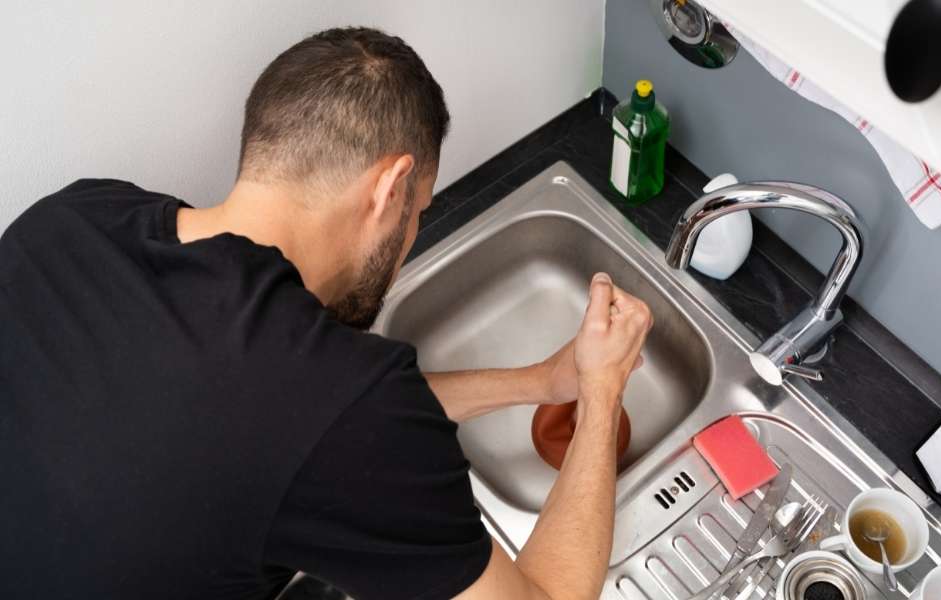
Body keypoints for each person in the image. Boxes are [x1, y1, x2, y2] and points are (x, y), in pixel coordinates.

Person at [0, 27, 652, 600]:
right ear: (390, 188)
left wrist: (539, 384)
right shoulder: (339, 402)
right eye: (418, 211)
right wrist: (601, 391)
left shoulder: (70, 218)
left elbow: (306, 421)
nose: (409, 241)